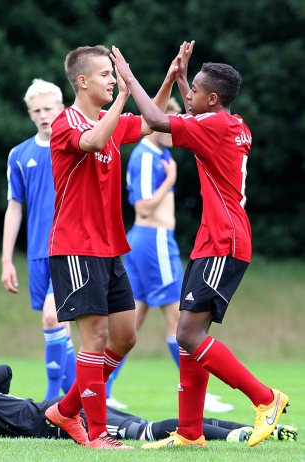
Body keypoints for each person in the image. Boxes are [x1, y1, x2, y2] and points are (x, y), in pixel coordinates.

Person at [110, 42, 290, 449]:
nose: (187, 96)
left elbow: (156, 121)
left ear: (212, 99)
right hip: (215, 240)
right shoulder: (231, 122)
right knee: (190, 336)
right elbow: (190, 117)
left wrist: (129, 77)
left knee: (188, 334)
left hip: (223, 241)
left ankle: (266, 398)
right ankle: (190, 432)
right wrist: (180, 78)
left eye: (194, 91)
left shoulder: (215, 127)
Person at [44, 44, 177, 450]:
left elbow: (151, 123)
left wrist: (169, 80)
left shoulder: (109, 119)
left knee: (125, 337)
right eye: (106, 75)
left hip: (108, 248)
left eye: (113, 75)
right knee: (96, 337)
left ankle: (66, 409)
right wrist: (123, 96)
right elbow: (92, 142)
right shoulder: (66, 122)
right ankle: (98, 433)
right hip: (75, 248)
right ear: (82, 81)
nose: (112, 81)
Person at [106, 97, 234, 414]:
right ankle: (197, 392)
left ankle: (102, 390)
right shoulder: (147, 156)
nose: (174, 127)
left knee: (132, 321)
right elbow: (143, 207)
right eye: (170, 121)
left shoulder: (158, 154)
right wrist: (171, 181)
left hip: (144, 242)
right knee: (179, 319)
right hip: (154, 242)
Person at [0, 364, 298, 444]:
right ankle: (259, 430)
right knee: (154, 427)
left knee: (147, 432)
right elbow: (0, 373)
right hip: (52, 412)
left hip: (59, 417)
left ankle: (244, 434)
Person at [1, 79, 76, 400]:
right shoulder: (19, 154)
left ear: (62, 109)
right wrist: (6, 260)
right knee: (60, 327)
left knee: (52, 316)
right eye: (37, 111)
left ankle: (50, 400)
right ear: (30, 114)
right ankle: (79, 401)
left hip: (69, 248)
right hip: (37, 252)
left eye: (49, 109)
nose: (44, 115)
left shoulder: (76, 145)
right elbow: (14, 207)